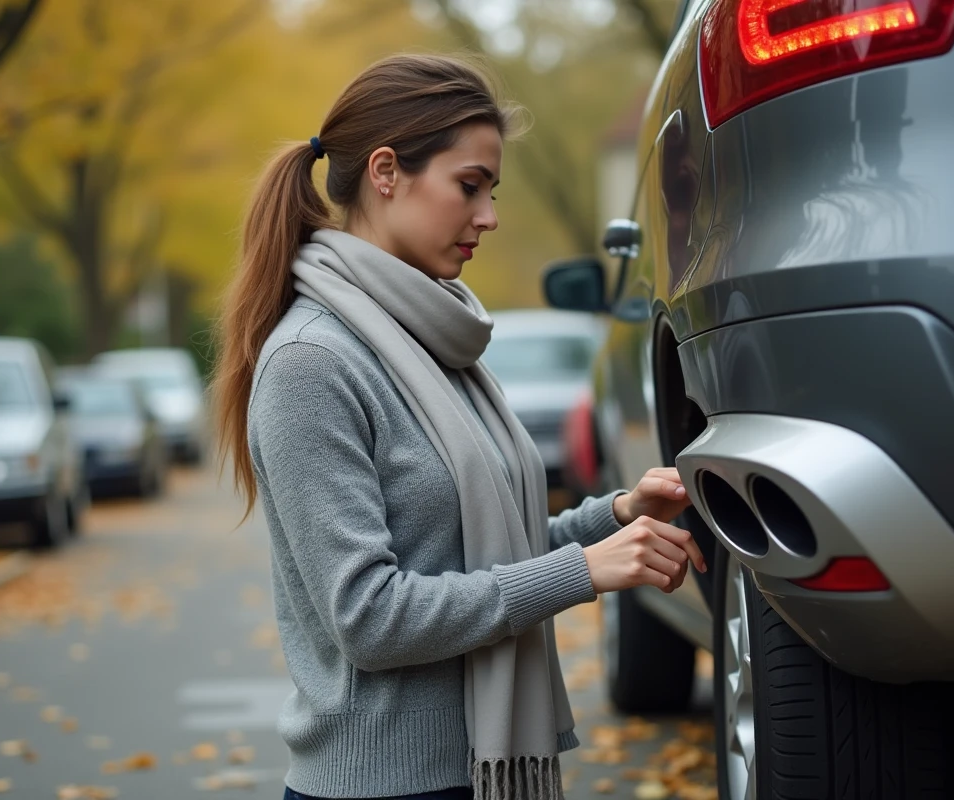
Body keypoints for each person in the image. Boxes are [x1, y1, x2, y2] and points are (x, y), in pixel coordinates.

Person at [212, 53, 707, 800]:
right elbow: (372, 618)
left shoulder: (436, 343)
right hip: (383, 786)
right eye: (469, 186)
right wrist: (582, 573)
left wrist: (616, 518)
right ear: (386, 172)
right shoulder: (313, 362)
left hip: (475, 772)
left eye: (493, 190)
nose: (490, 217)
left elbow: (476, 554)